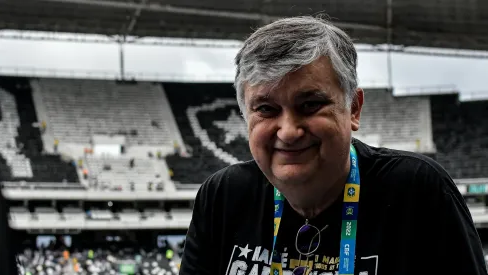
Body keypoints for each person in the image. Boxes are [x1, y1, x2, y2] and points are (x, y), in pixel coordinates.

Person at [180, 16, 487, 275]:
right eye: (266, 109)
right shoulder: (222, 196)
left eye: (310, 104)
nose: (288, 132)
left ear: (353, 108)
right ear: (246, 115)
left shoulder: (419, 191)